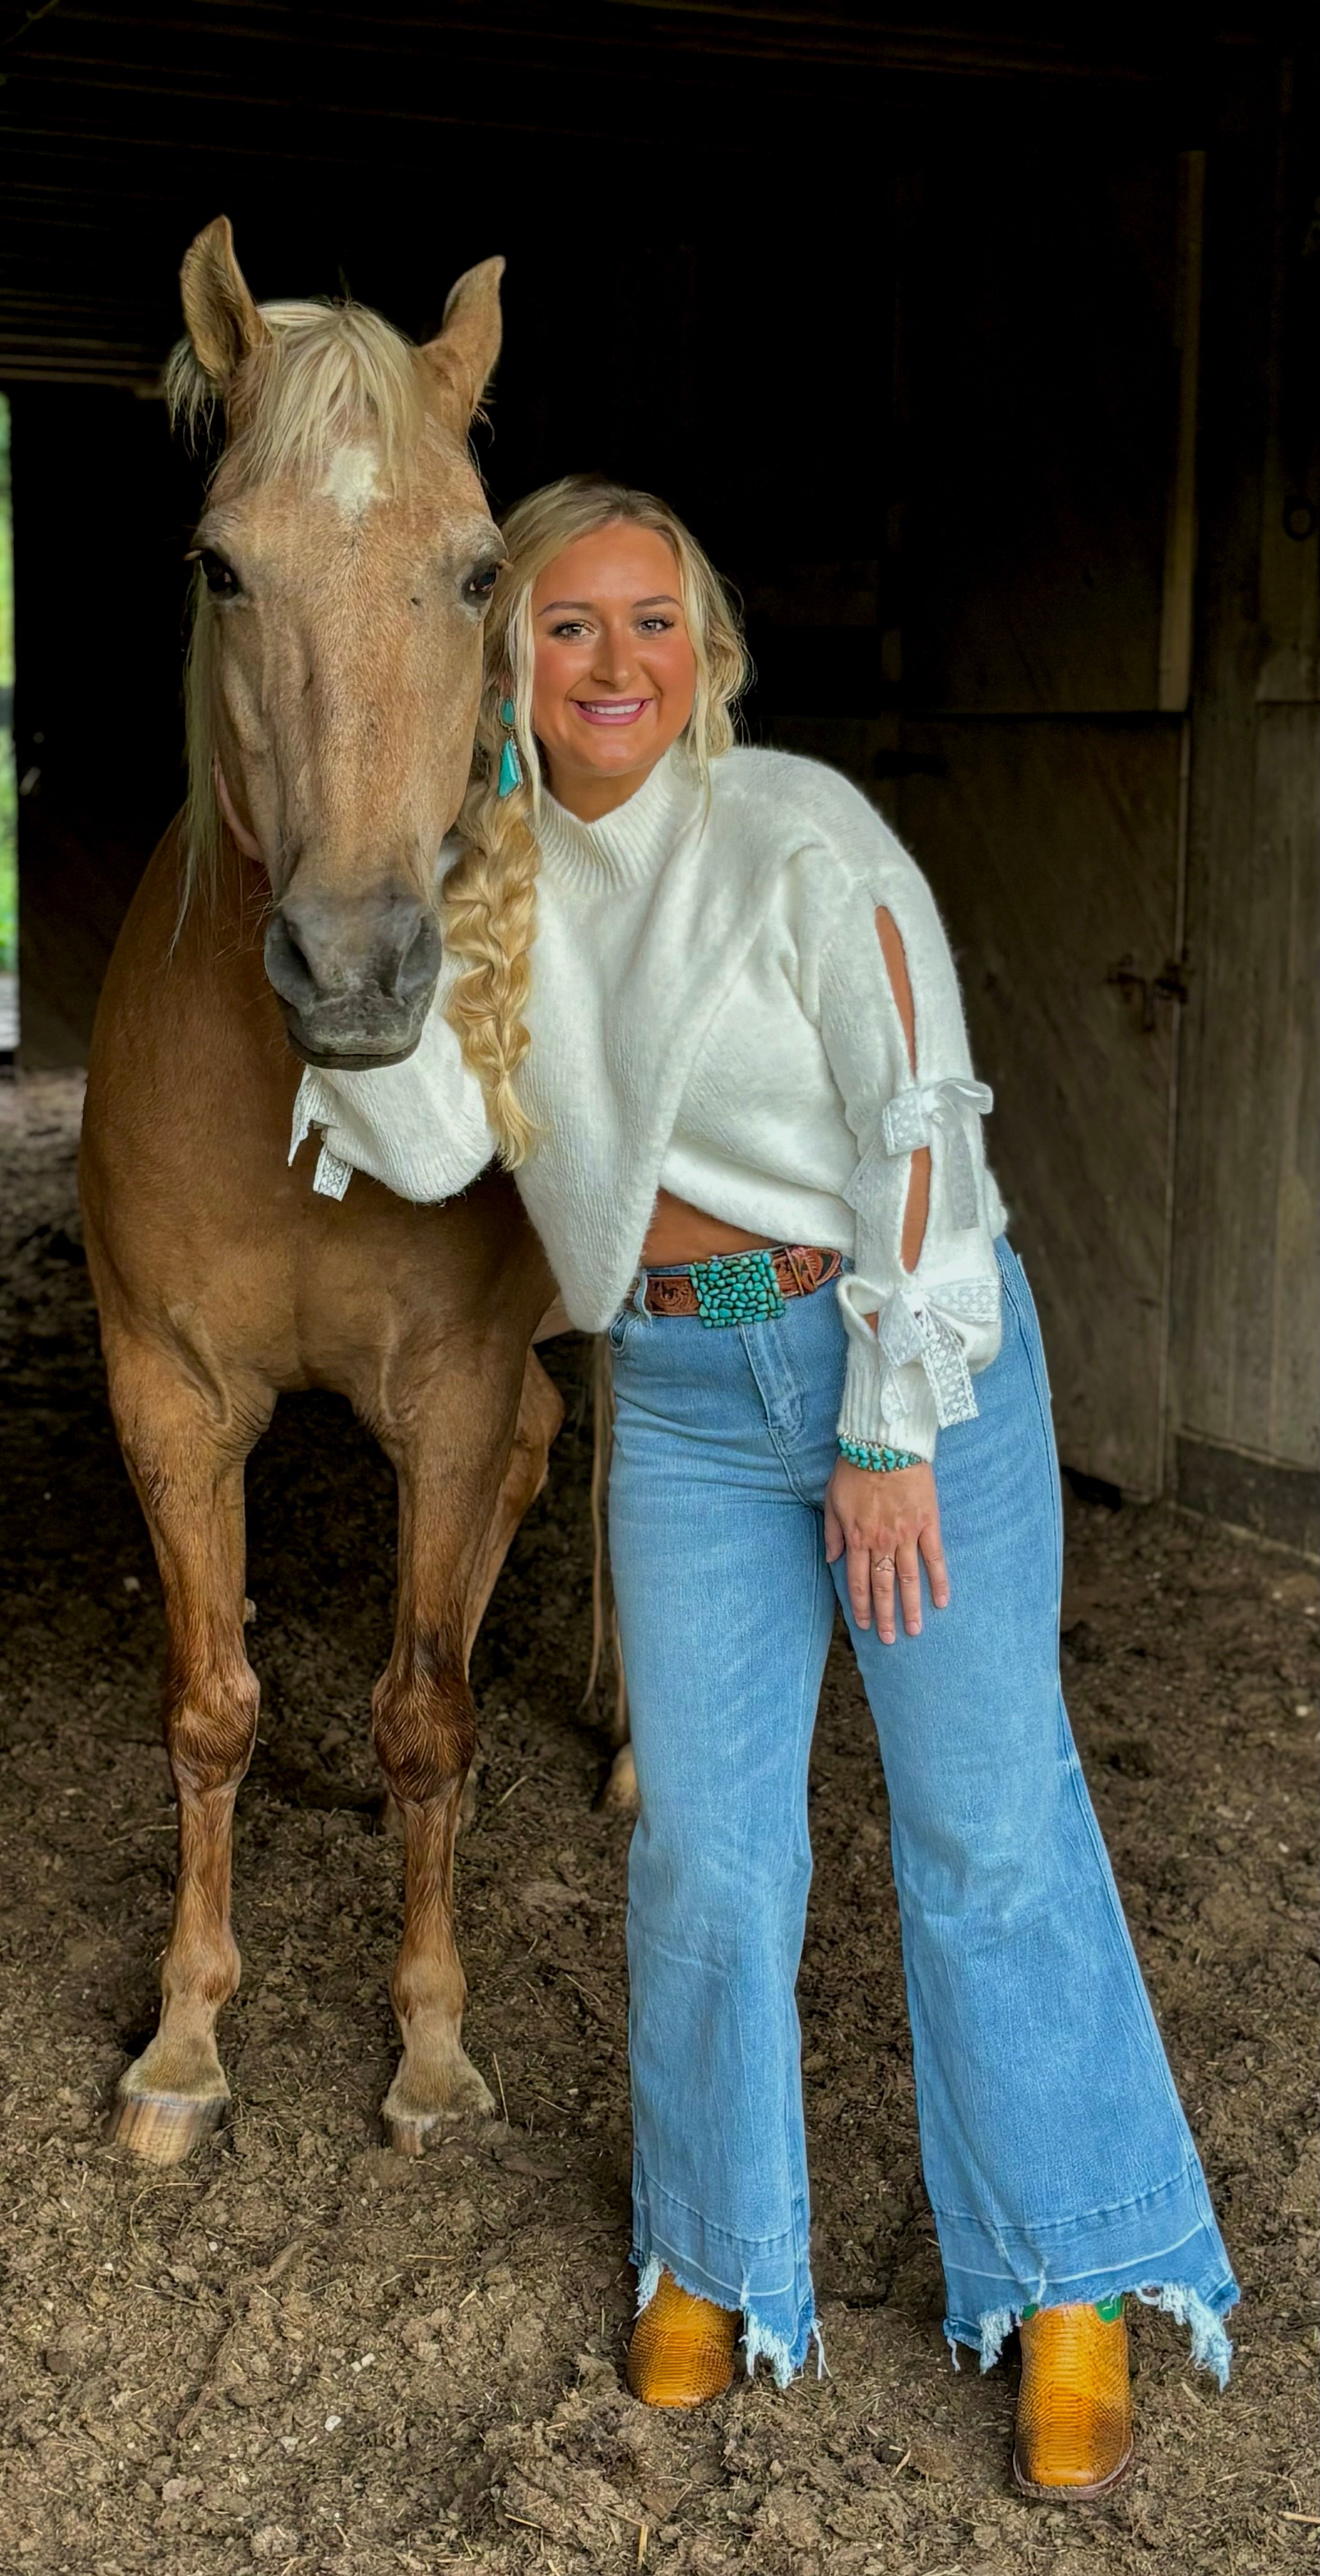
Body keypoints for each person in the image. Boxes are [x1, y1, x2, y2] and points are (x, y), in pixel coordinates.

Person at [298, 475, 1237, 2501]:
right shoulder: (500, 877)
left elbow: (923, 1126)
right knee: (707, 1854)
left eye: (651, 620)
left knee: (982, 1825)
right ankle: (715, 2251)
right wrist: (352, 951)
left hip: (903, 1361)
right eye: (567, 624)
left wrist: (890, 1428)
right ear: (510, 667)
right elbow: (444, 1141)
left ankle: (1069, 2277)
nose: (613, 658)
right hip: (692, 1397)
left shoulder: (807, 836)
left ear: (704, 654)